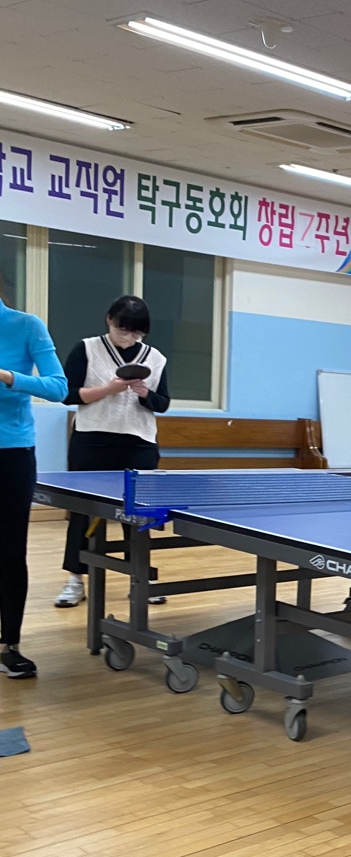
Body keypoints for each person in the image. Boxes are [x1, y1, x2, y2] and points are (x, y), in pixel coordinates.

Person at [55, 296, 172, 609]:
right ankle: (75, 579)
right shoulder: (87, 348)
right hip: (91, 440)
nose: (129, 337)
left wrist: (145, 393)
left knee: (137, 514)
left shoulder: (155, 358)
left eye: (137, 332)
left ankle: (141, 579)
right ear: (109, 319)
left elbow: (162, 403)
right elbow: (67, 394)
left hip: (139, 442)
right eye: (123, 329)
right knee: (82, 512)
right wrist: (109, 389)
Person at [0, 290, 67, 677]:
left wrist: (7, 376)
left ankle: (9, 645)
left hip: (12, 452)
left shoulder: (26, 325)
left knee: (10, 552)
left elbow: (58, 388)